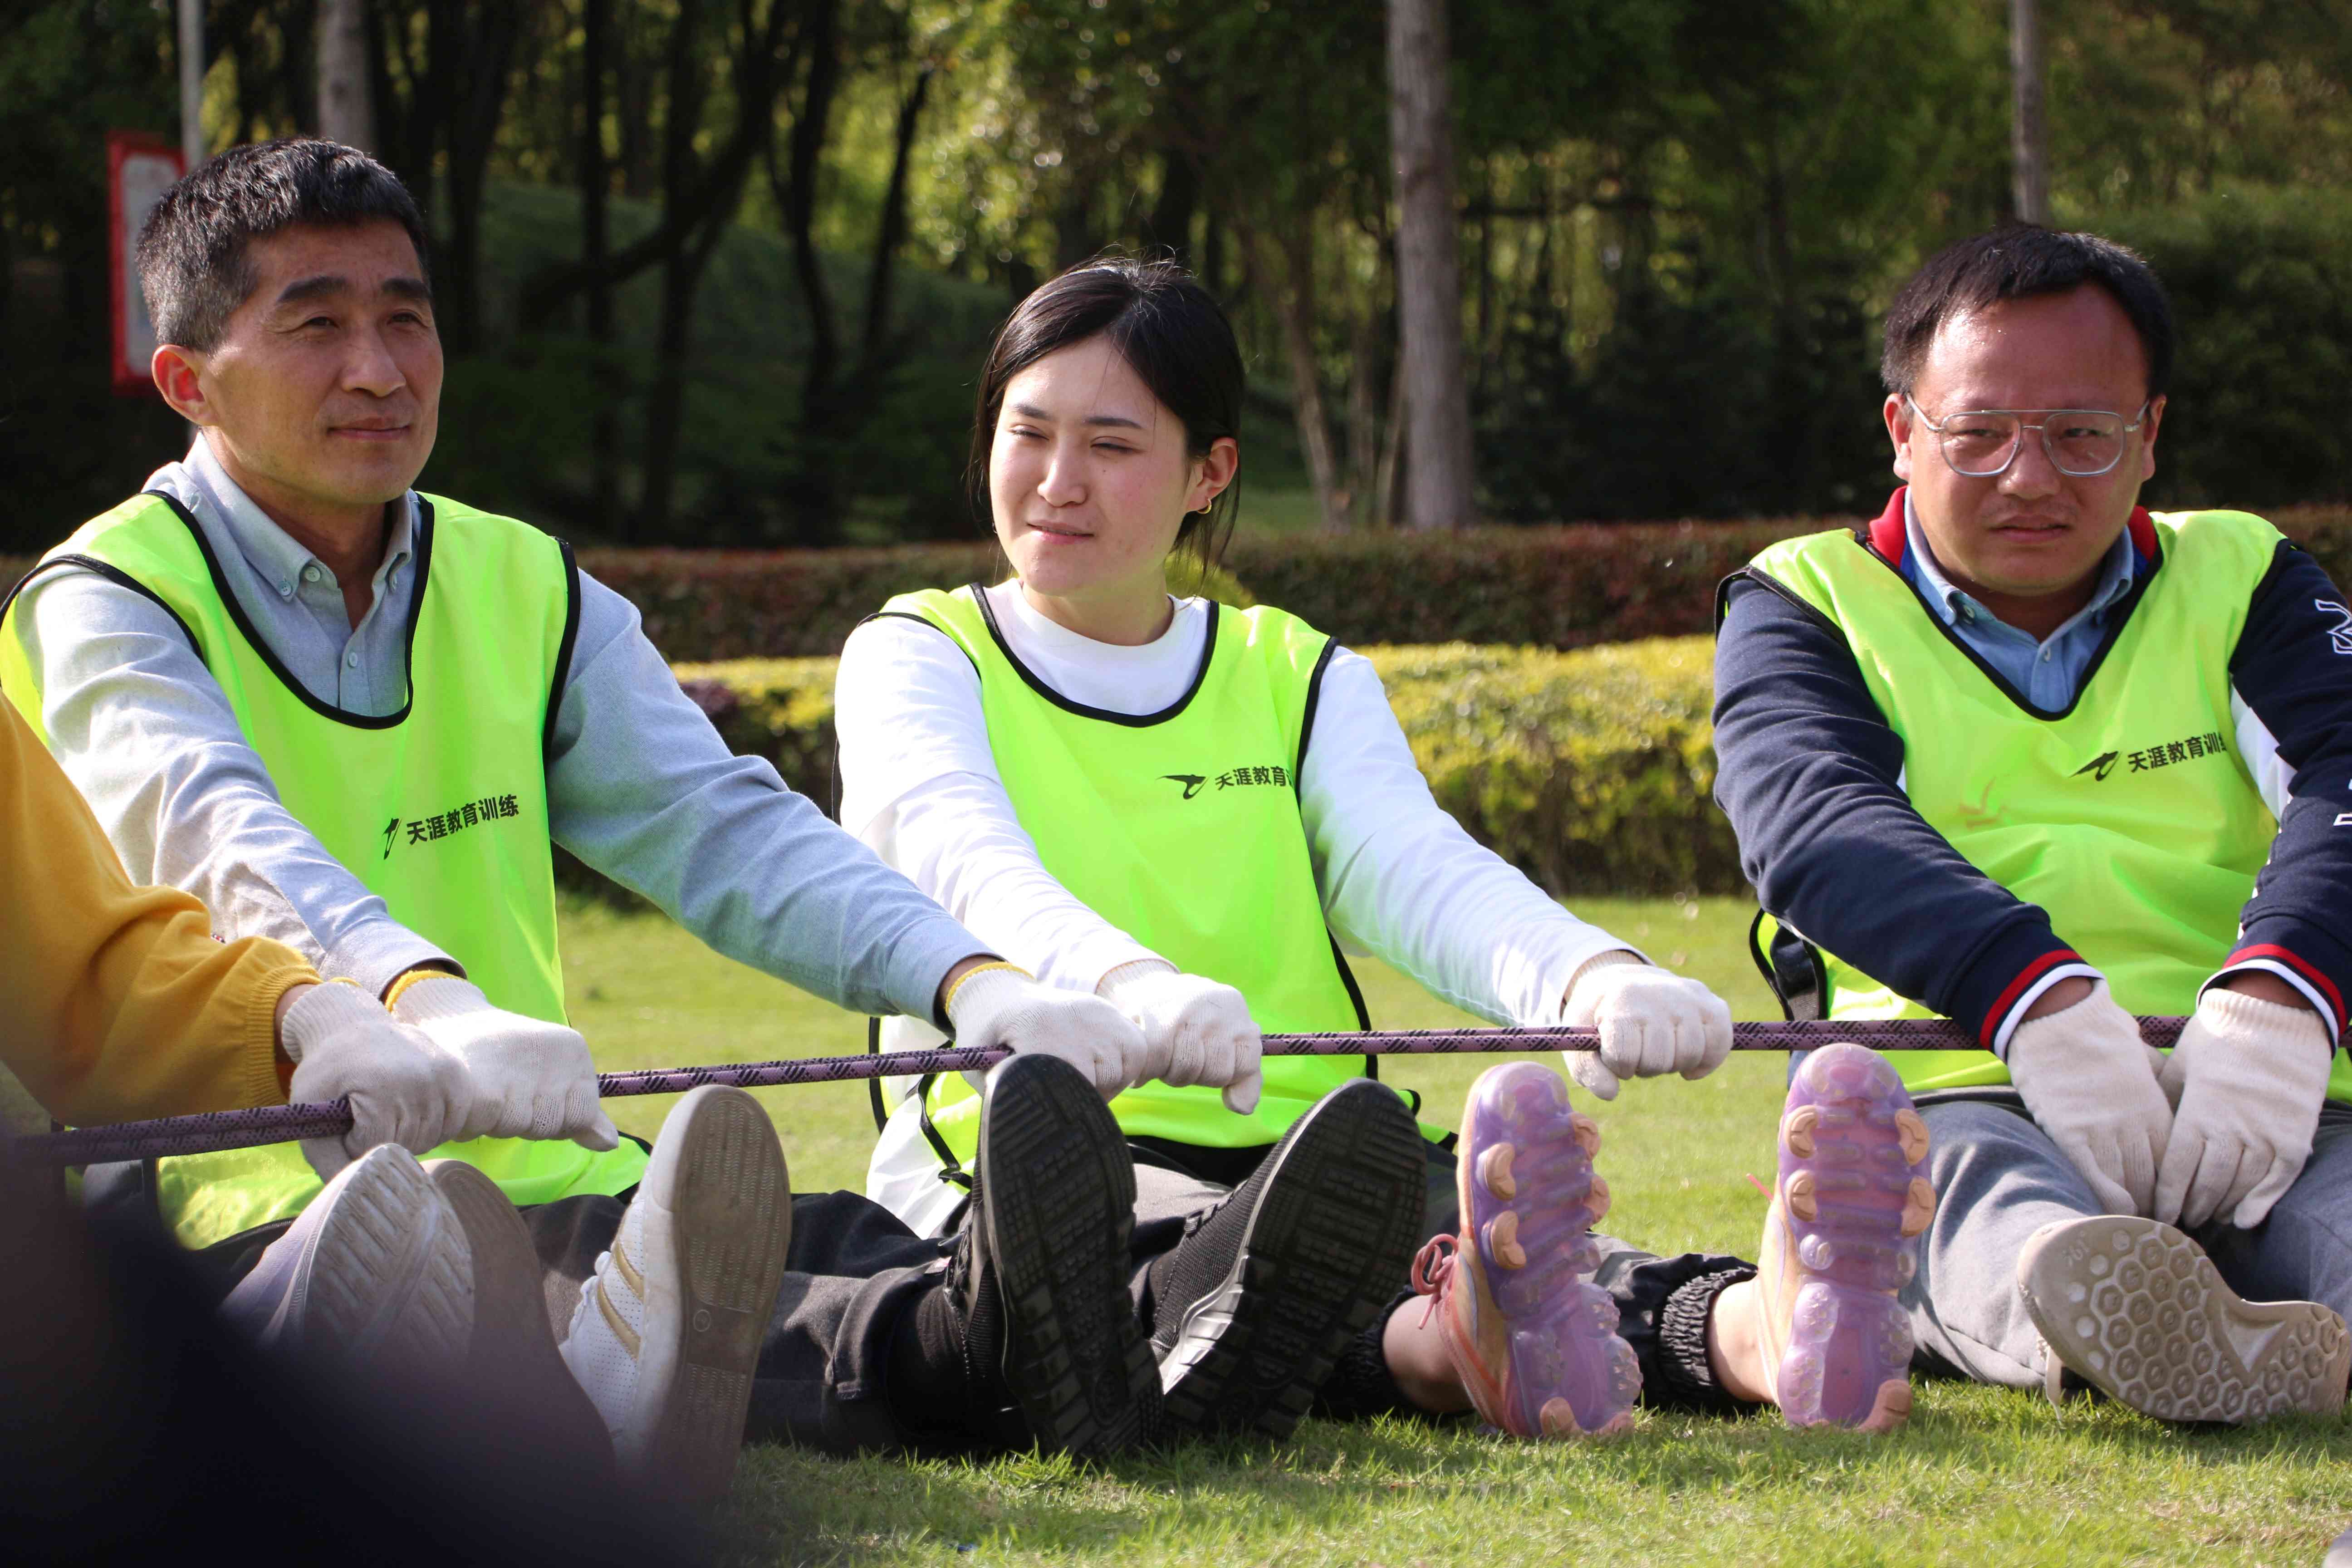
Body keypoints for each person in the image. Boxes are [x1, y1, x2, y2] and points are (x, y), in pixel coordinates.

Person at [2, 138, 1243, 1487]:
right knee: (722, 1301)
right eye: (317, 327)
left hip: (550, 1165)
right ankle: (1070, 1338)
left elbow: (727, 826)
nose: (381, 368)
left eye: (407, 318)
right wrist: (430, 1002)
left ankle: (1169, 1303)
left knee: (824, 1242)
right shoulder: (107, 602)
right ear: (188, 380)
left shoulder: (518, 580)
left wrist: (974, 978)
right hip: (248, 1205)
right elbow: (221, 837)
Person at [833, 255, 1939, 1439]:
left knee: (1529, 1260)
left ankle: (1763, 1333)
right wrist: (1127, 985)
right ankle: (1457, 1343)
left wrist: (1588, 974)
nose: (1057, 482)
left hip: (1319, 1146)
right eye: (1028, 432)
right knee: (1230, 1288)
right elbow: (957, 854)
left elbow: (1414, 869)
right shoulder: (919, 652)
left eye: (1111, 445)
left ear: (1211, 474)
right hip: (1047, 1168)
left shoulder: (1294, 673)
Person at [1713, 224, 2352, 1424]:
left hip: (2275, 1088)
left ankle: (2228, 1335)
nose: (2031, 477)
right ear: (1903, 433)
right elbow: (1812, 824)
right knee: (2001, 1226)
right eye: (1982, 434)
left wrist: (2286, 994)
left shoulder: (2246, 576)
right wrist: (2036, 997)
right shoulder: (1805, 601)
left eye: (2082, 436)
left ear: (2150, 437)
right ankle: (2109, 1324)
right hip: (1964, 1077)